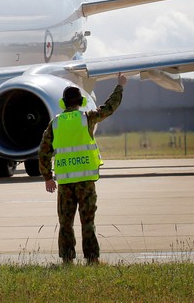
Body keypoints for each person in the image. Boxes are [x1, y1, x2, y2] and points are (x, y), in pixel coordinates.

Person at [38, 72, 127, 265]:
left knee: (65, 224)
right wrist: (119, 86)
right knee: (88, 222)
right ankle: (92, 259)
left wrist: (47, 177)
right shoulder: (87, 118)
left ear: (63, 103)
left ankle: (68, 259)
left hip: (65, 183)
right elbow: (109, 107)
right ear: (81, 101)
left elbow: (43, 151)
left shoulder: (55, 123)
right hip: (86, 182)